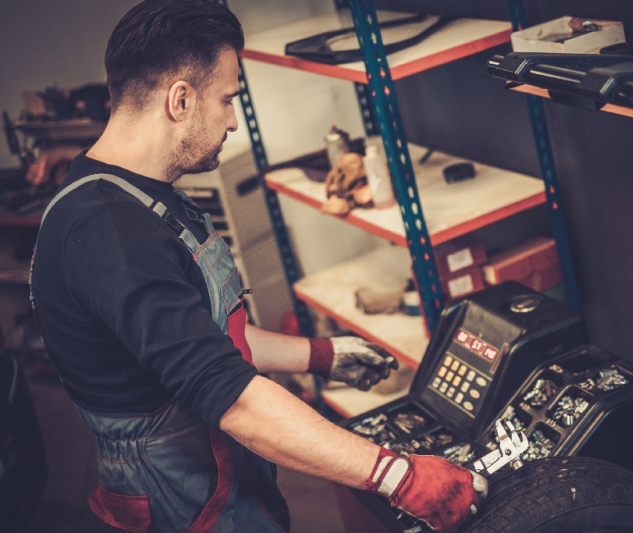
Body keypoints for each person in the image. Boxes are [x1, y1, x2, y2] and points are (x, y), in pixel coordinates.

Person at [28, 1, 488, 532]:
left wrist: (319, 356)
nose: (231, 121)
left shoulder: (137, 195)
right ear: (180, 99)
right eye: (227, 100)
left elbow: (200, 340)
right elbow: (231, 397)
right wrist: (400, 478)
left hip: (215, 475)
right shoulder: (109, 233)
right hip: (178, 500)